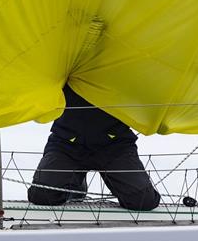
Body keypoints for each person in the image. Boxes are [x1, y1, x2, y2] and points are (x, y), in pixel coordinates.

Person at [27, 84, 160, 210]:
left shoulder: (123, 66)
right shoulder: (65, 62)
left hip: (114, 144)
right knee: (41, 196)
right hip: (67, 142)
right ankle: (75, 186)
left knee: (143, 201)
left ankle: (129, 185)